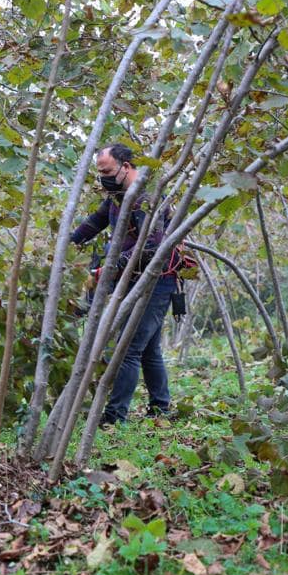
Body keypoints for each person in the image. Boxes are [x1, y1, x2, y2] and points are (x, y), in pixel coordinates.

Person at [71, 143, 181, 425]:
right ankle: (160, 408)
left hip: (157, 282)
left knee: (128, 348)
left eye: (107, 171)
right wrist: (69, 242)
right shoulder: (118, 198)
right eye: (99, 173)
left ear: (127, 167)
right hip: (133, 281)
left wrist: (115, 264)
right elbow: (96, 221)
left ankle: (114, 416)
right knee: (149, 349)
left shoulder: (145, 199)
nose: (103, 178)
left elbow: (153, 246)